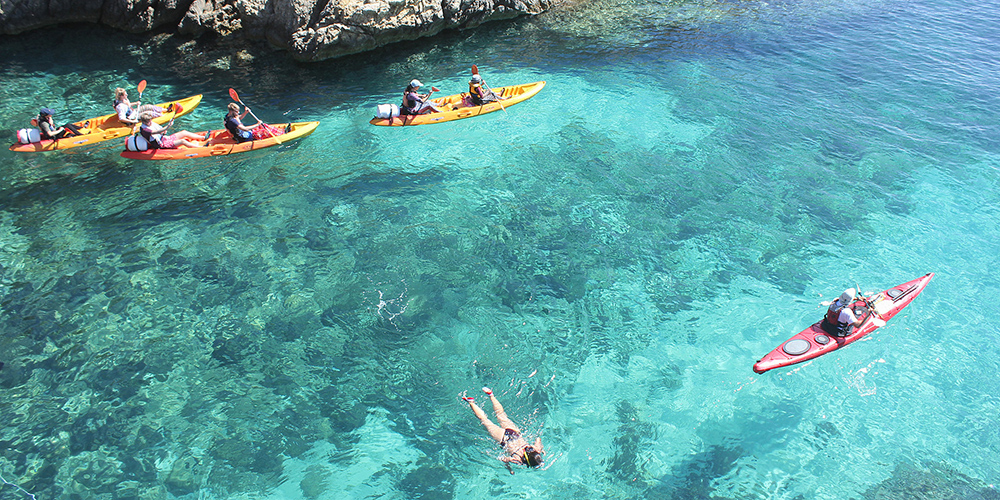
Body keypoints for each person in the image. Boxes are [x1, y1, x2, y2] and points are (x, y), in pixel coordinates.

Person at [462, 387, 544, 473]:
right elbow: (504, 459)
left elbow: (538, 439)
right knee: (484, 420)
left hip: (514, 432)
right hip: (503, 438)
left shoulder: (535, 449)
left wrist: (541, 448)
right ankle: (471, 402)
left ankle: (491, 395)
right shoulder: (519, 460)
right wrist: (509, 468)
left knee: (501, 414)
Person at [137, 112, 208, 149]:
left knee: (184, 132)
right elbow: (156, 132)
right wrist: (168, 126)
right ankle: (201, 147)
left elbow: (161, 130)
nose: (150, 122)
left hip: (165, 138)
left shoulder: (151, 123)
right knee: (182, 141)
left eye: (150, 120)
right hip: (161, 144)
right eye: (148, 121)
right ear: (144, 122)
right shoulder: (144, 129)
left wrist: (165, 129)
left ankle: (203, 138)